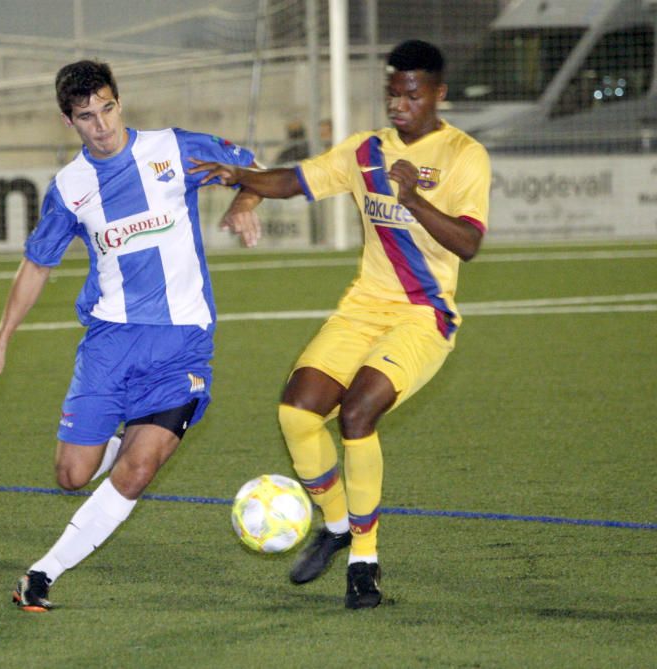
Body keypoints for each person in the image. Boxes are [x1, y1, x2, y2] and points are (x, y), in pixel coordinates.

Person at [189, 40, 490, 609]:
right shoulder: (364, 151)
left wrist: (413, 199)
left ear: (438, 94)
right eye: (391, 93)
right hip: (362, 307)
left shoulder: (465, 155)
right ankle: (333, 525)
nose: (399, 104)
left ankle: (364, 562)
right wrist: (240, 179)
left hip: (425, 315)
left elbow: (470, 244)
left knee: (356, 415)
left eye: (412, 93)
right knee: (296, 412)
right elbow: (296, 180)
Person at [0, 59, 262, 612]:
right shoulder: (70, 188)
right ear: (68, 122)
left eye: (107, 108)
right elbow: (36, 265)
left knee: (140, 467)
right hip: (110, 342)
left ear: (118, 101)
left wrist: (245, 201)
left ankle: (41, 574)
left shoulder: (175, 148)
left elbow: (252, 169)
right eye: (86, 116)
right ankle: (127, 440)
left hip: (183, 341)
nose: (101, 125)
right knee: (72, 474)